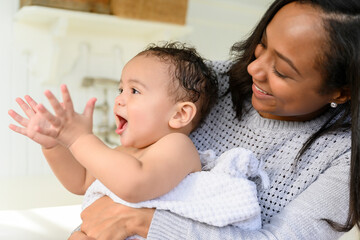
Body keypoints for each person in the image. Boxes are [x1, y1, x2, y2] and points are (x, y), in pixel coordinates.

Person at [47, 0, 358, 239]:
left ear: (342, 91)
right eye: (261, 47)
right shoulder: (205, 84)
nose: (254, 70)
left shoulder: (344, 156)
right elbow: (102, 175)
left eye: (282, 71)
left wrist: (145, 221)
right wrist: (59, 143)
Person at [9, 42, 271, 237]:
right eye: (121, 88)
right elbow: (80, 181)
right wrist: (54, 144)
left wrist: (80, 139)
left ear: (180, 114)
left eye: (135, 90)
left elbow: (135, 184)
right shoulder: (126, 154)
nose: (120, 98)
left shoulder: (177, 147)